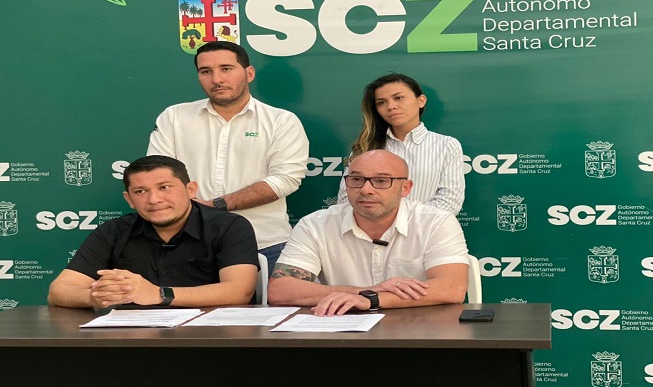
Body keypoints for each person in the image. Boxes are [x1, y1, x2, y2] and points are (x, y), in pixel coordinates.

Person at [148, 41, 309, 275]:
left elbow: (285, 180)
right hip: (188, 243)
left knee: (276, 301)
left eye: (226, 69)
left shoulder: (281, 121)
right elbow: (157, 175)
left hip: (265, 244)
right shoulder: (174, 117)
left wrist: (215, 206)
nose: (216, 79)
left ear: (249, 73)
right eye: (206, 71)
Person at [269, 150, 469, 316]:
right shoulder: (314, 224)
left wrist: (371, 300)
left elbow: (452, 288)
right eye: (356, 179)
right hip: (342, 335)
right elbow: (280, 290)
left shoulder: (435, 222)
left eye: (381, 181)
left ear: (405, 188)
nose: (366, 189)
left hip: (419, 332)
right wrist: (364, 292)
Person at [47, 155, 259, 309]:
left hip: (211, 339)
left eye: (164, 187)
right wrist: (94, 297)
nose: (154, 200)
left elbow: (239, 291)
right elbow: (59, 290)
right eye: (140, 191)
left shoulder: (229, 226)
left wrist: (159, 294)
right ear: (129, 199)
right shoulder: (114, 231)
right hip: (133, 340)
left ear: (190, 190)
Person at [337, 73, 465, 214]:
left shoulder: (446, 145)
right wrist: (381, 223)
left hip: (426, 227)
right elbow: (345, 199)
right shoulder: (365, 147)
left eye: (398, 98)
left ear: (421, 101)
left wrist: (405, 223)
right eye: (381, 102)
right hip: (370, 227)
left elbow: (449, 200)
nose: (391, 106)